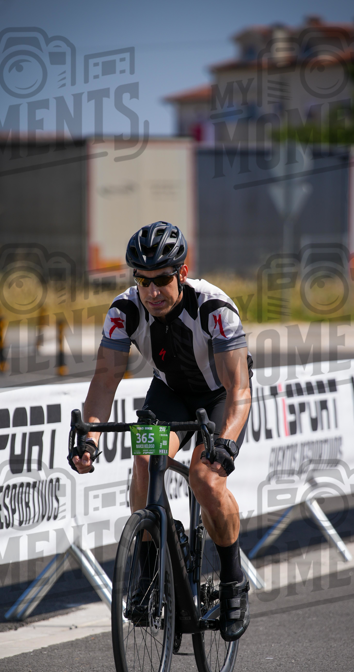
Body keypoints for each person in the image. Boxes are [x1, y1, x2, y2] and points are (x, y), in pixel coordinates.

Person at [69, 221, 252, 641]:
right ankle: (150, 578)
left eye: (162, 280)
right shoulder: (124, 311)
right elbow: (103, 384)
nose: (152, 291)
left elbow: (239, 388)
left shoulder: (214, 309)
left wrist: (224, 442)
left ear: (182, 273)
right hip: (170, 393)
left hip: (220, 397)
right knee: (145, 459)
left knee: (205, 479)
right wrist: (89, 439)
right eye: (143, 280)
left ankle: (231, 580)